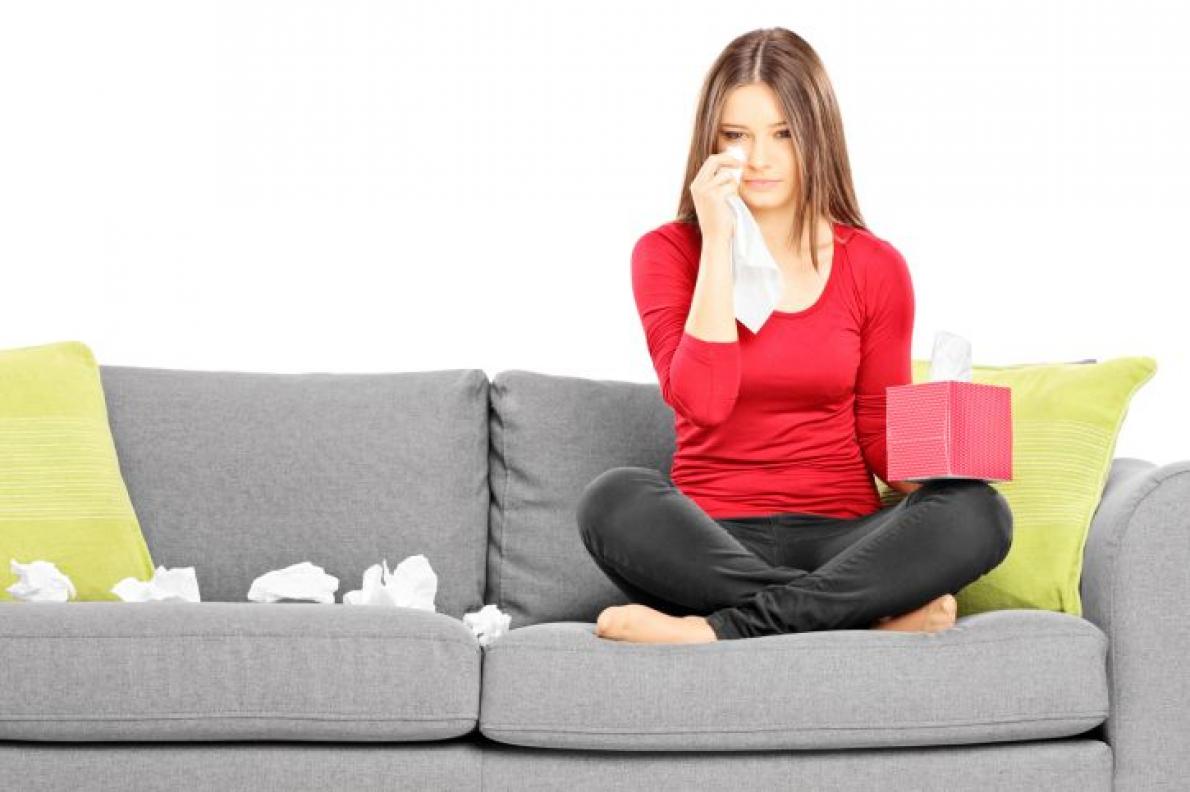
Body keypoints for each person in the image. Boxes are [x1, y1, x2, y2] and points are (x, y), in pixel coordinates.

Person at [576, 27, 1013, 645]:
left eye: (782, 134)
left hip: (844, 541)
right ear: (710, 143)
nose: (758, 158)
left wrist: (951, 459)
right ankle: (856, 618)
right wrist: (718, 241)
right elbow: (703, 400)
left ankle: (721, 630)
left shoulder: (874, 265)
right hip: (711, 541)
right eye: (736, 135)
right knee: (612, 497)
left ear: (817, 137)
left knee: (980, 510)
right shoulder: (667, 253)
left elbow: (876, 436)